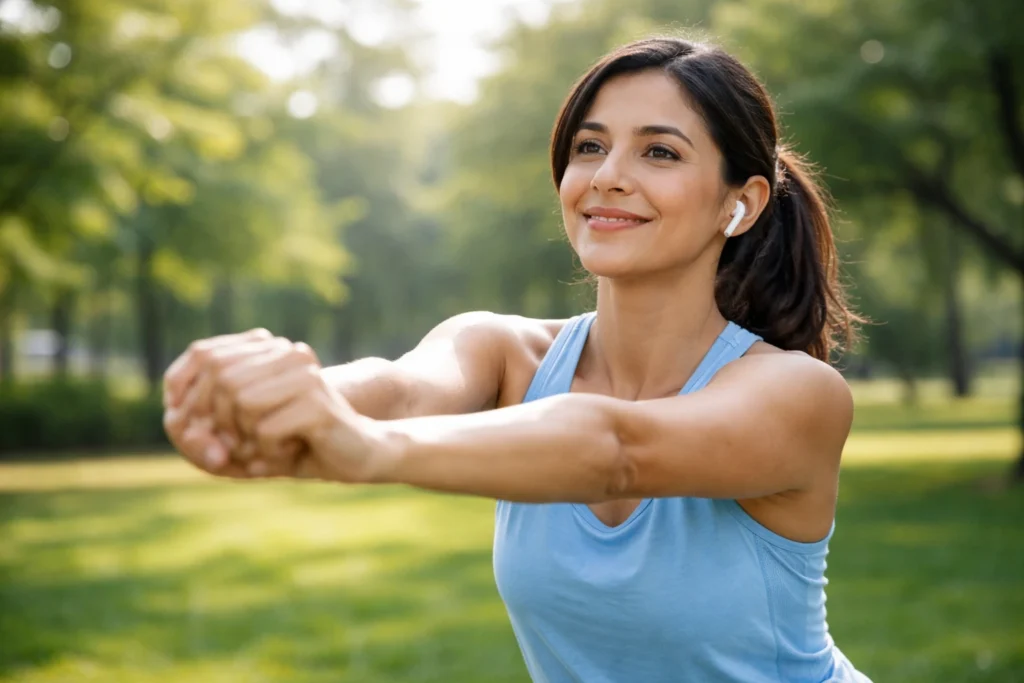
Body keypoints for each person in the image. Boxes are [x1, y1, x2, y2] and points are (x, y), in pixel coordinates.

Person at [164, 36, 871, 683]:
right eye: (590, 147)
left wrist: (366, 449)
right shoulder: (503, 351)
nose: (608, 177)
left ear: (740, 204)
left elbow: (616, 446)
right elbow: (404, 390)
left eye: (660, 152)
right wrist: (276, 395)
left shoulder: (796, 394)